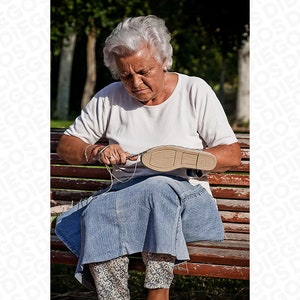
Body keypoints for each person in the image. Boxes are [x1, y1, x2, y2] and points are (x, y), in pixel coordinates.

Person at [55, 15, 241, 300]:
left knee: (157, 188)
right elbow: (67, 145)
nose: (135, 83)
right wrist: (97, 151)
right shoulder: (109, 98)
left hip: (187, 205)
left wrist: (188, 160)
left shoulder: (194, 91)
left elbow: (232, 154)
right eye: (125, 76)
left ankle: (158, 294)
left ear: (164, 60)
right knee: (98, 210)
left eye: (143, 71)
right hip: (127, 206)